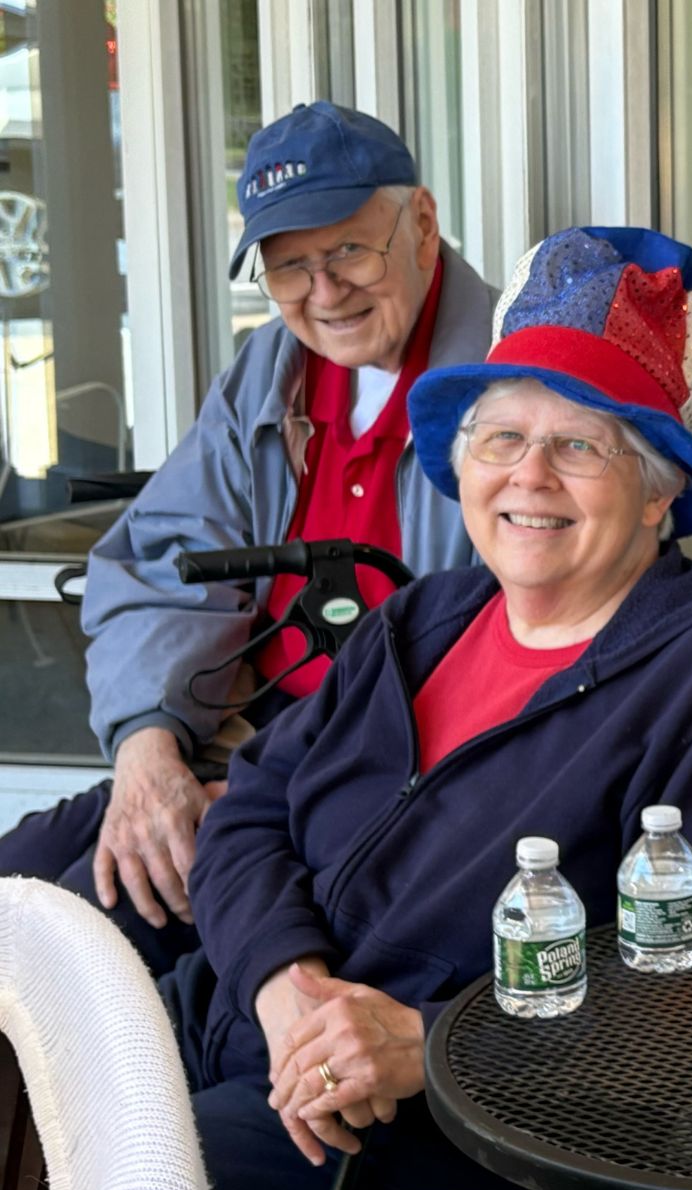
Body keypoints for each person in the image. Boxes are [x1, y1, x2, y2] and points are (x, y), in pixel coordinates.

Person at [172, 227, 692, 1190]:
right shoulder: (425, 617)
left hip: (468, 1138)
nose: (530, 477)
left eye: (580, 446)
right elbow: (250, 810)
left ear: (658, 492)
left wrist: (421, 1043)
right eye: (501, 438)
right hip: (250, 1023)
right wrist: (287, 988)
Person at [0, 102, 490, 972]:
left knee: (70, 950)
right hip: (230, 733)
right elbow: (160, 557)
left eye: (346, 249)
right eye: (290, 267)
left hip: (369, 787)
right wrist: (150, 753)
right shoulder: (272, 367)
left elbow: (505, 655)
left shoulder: (505, 375)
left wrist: (278, 797)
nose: (324, 292)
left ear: (421, 222)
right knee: (15, 882)